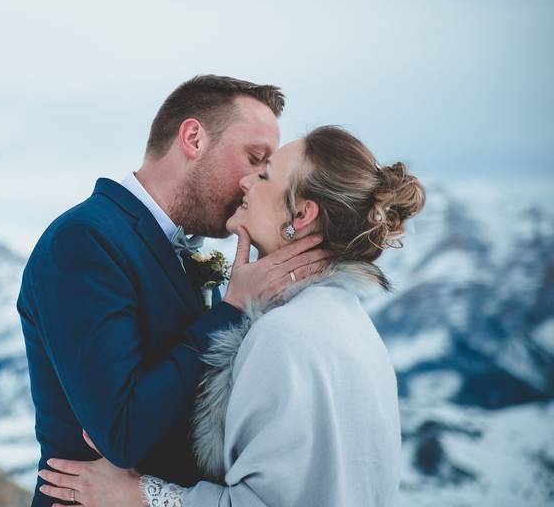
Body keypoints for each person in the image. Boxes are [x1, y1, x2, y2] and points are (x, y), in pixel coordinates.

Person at [37, 125, 426, 507]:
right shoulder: (351, 324)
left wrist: (137, 495)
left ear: (302, 213)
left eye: (265, 171)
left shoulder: (284, 334)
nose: (246, 181)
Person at [16, 75, 331, 507]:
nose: (252, 184)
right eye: (255, 158)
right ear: (193, 138)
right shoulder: (85, 240)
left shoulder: (171, 247)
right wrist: (234, 307)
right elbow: (123, 433)